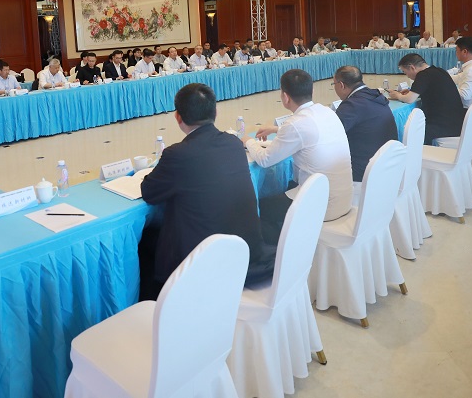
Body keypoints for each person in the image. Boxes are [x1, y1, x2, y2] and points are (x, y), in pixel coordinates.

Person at [139, 83, 268, 300]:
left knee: (145, 241)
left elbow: (149, 192)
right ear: (215, 112)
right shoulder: (233, 143)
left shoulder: (178, 154)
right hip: (245, 250)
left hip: (201, 260)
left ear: (178, 117)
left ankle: (161, 304)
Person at [249, 69, 354, 242]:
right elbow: (307, 133)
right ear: (311, 90)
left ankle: (286, 247)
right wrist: (276, 129)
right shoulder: (327, 111)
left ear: (285, 97)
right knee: (286, 188)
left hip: (321, 205)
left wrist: (247, 141)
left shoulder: (296, 123)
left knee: (261, 208)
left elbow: (265, 159)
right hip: (345, 197)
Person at [332, 66, 399, 182]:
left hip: (364, 172)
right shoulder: (375, 96)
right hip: (388, 164)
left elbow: (331, 136)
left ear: (341, 85)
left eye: (334, 84)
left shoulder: (352, 105)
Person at [390, 53, 466, 145]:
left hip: (442, 126)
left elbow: (409, 99)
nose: (407, 76)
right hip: (457, 121)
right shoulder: (439, 70)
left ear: (412, 67)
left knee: (411, 131)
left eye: (405, 72)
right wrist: (413, 92)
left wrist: (397, 95)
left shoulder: (423, 75)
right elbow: (434, 90)